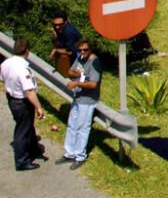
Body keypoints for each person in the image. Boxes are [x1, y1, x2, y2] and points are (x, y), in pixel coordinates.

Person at [1, 38, 46, 171]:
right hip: (22, 102)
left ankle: (34, 149)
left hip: (11, 98)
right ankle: (22, 161)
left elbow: (2, 78)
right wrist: (39, 107)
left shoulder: (6, 63)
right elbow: (29, 91)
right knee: (22, 130)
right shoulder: (22, 68)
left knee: (27, 126)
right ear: (27, 51)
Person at [57, 38, 101, 170]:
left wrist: (77, 83)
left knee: (83, 127)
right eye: (80, 50)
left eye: (85, 49)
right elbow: (70, 71)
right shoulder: (80, 58)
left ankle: (80, 155)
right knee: (72, 125)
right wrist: (77, 74)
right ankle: (69, 152)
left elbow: (93, 84)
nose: (82, 52)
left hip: (88, 100)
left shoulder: (95, 62)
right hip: (78, 97)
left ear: (90, 49)